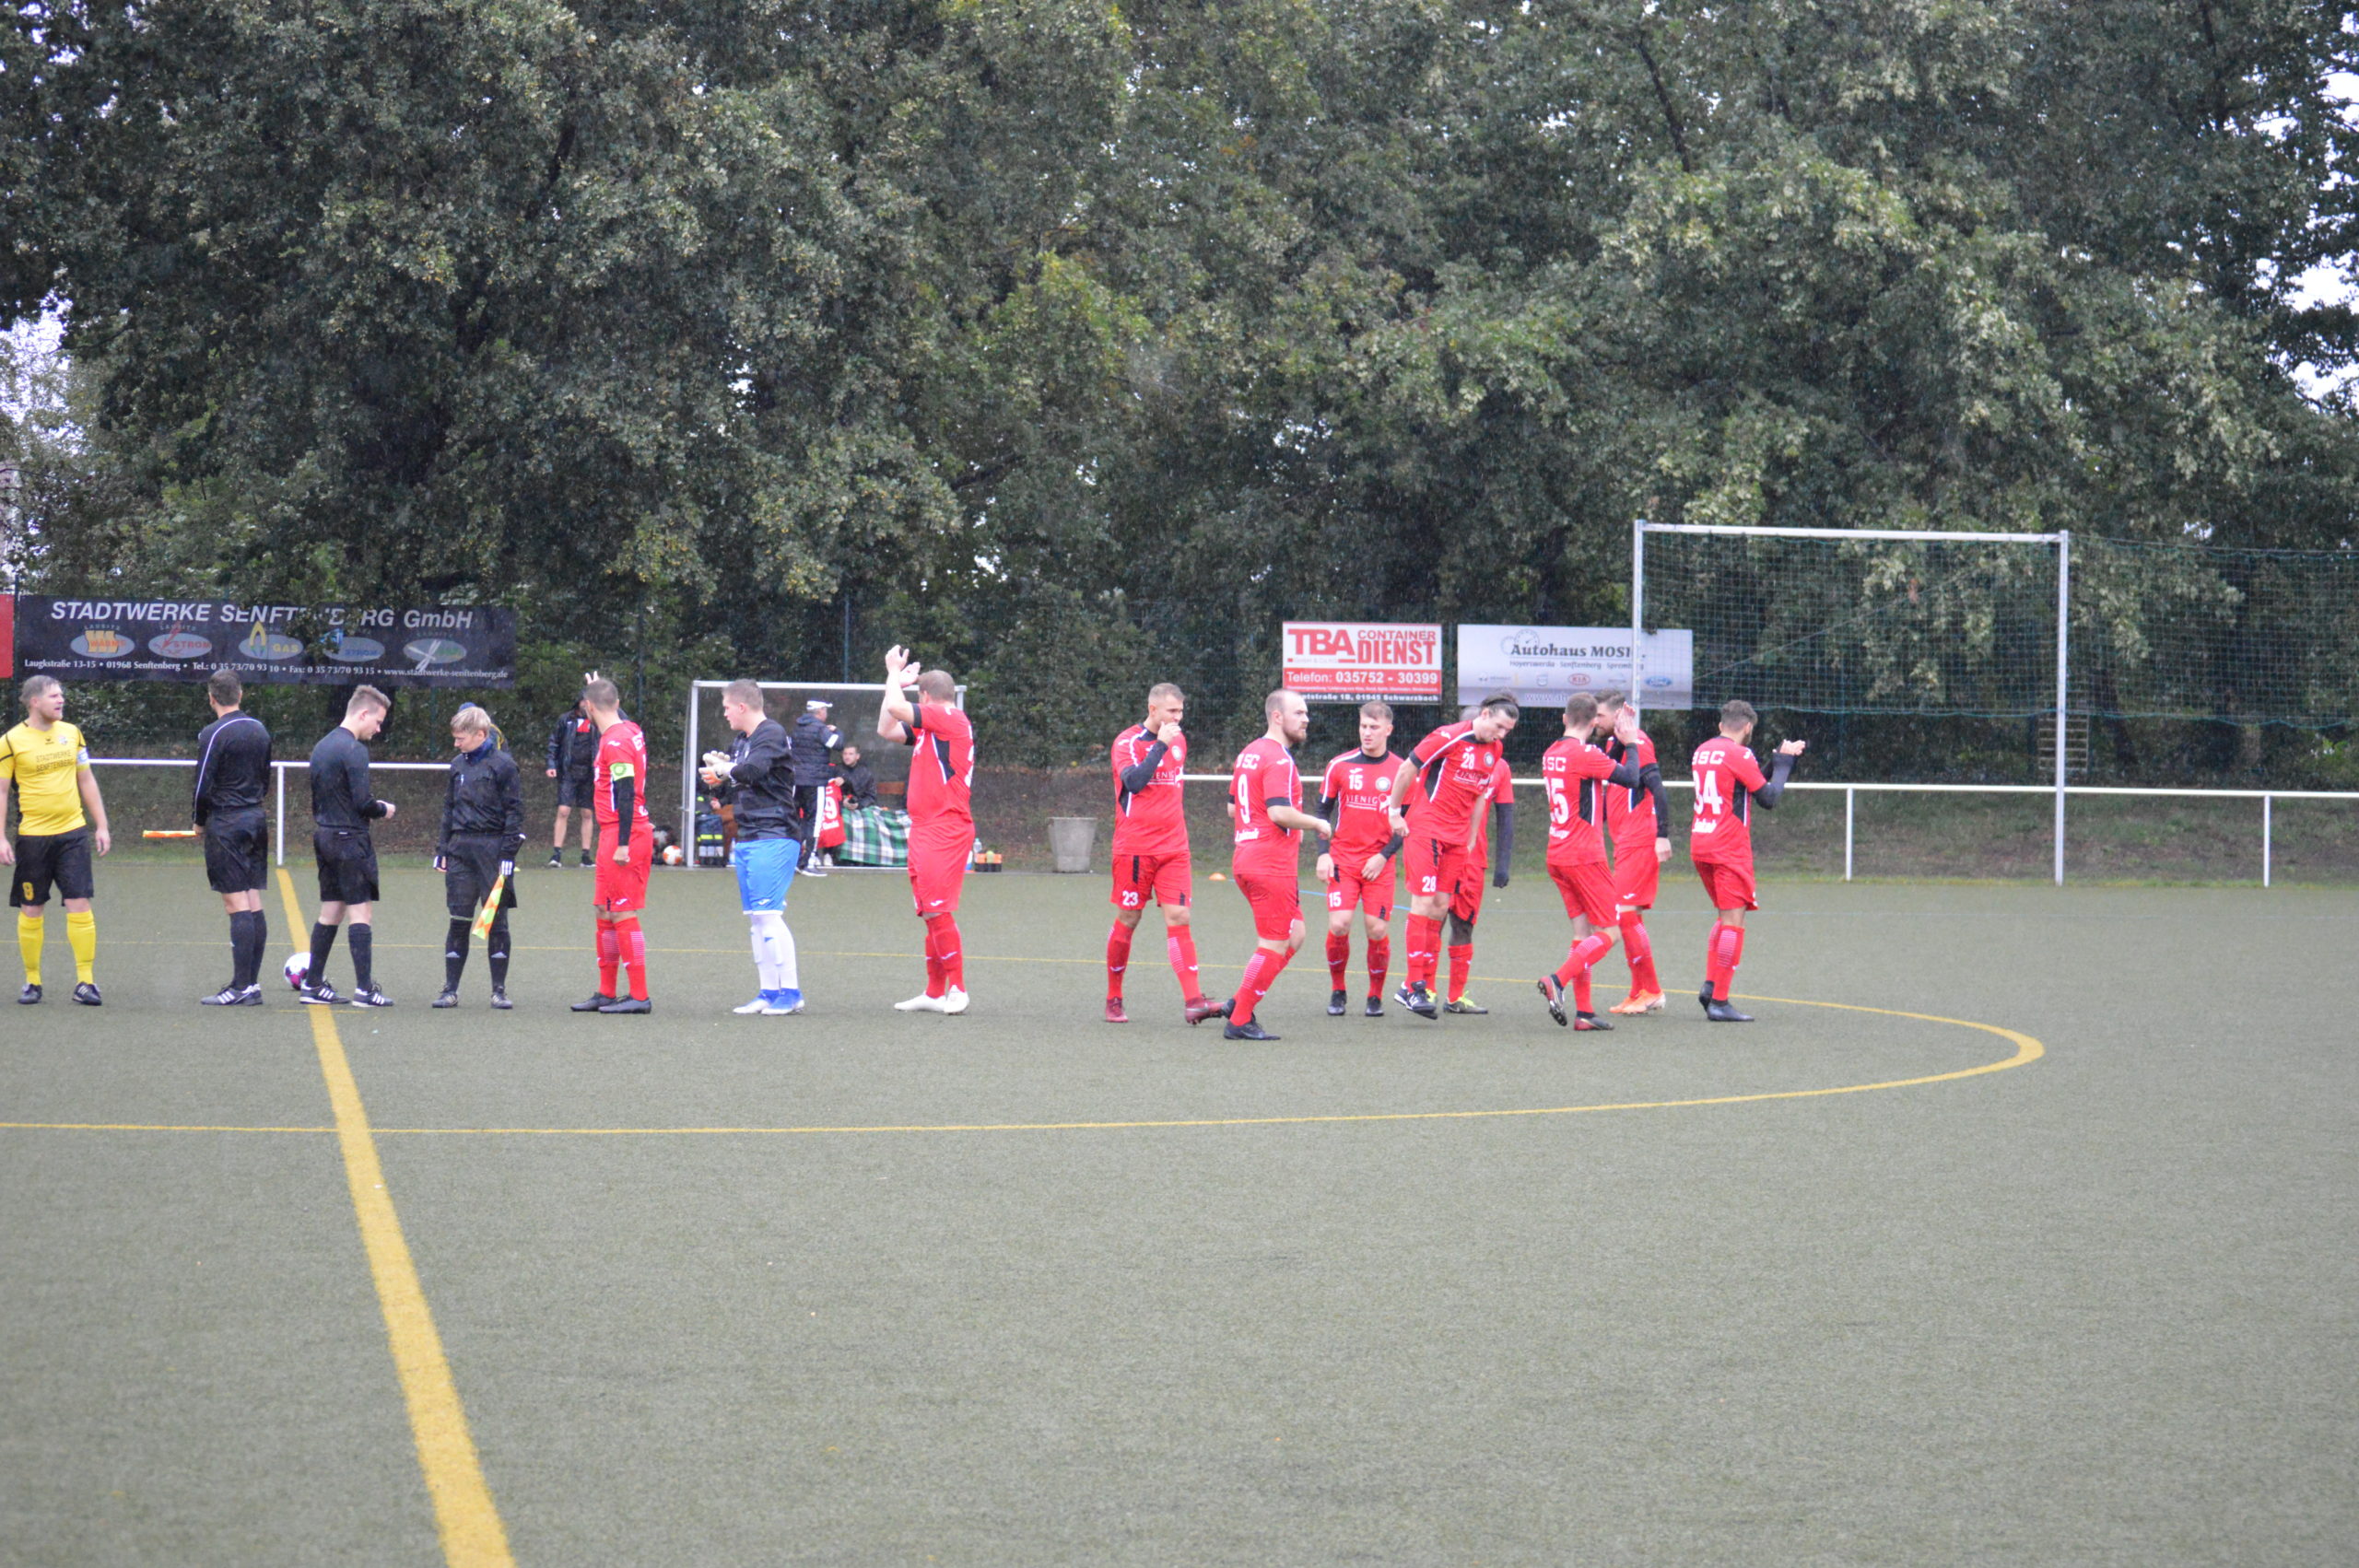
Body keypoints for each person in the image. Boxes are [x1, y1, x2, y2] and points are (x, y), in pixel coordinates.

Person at [1381, 691, 1520, 1019]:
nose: (1501, 735)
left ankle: (1422, 988)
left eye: (1507, 731)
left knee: (1441, 905)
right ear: (1484, 714)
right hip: (1427, 828)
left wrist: (1469, 839)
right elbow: (1407, 769)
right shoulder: (1447, 736)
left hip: (1457, 839)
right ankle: (1414, 985)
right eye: (1499, 726)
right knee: (1423, 902)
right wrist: (1394, 812)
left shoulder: (1495, 750)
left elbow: (1479, 797)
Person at [1534, 694, 1658, 1030]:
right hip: (1584, 856)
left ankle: (1585, 1013)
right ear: (1592, 722)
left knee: (1582, 933)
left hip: (1557, 853)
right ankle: (1557, 980)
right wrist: (1630, 742)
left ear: (1564, 719)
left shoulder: (1552, 752)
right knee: (1611, 932)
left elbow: (1604, 765)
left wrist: (1619, 738)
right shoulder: (1585, 754)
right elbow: (1631, 778)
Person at [1105, 682, 1222, 1024]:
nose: (1177, 718)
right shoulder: (1127, 743)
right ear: (1152, 709)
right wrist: (1160, 745)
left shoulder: (1179, 740)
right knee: (1129, 919)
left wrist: (1166, 742)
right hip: (1135, 849)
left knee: (1180, 917)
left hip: (1174, 848)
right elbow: (1134, 783)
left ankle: (1194, 1001)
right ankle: (1114, 997)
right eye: (1172, 711)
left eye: (1181, 711)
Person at [1221, 687, 1332, 1042]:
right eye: (1299, 713)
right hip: (1269, 863)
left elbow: (1232, 808)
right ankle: (1239, 1020)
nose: (1306, 719)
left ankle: (1239, 1001)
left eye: (1306, 713)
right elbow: (1279, 812)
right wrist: (1317, 823)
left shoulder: (1249, 753)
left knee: (1294, 934)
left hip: (1247, 857)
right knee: (1273, 943)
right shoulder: (1279, 759)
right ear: (1277, 716)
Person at [1690, 699, 1805, 1023]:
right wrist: (1785, 765)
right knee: (1733, 923)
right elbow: (1769, 797)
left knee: (1723, 917)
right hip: (1728, 846)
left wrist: (1775, 759)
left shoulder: (1702, 750)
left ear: (1721, 725)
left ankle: (1711, 987)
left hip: (1701, 841)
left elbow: (1745, 785)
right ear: (1748, 727)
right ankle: (1720, 1001)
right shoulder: (1739, 754)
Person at [0, 675, 111, 1005]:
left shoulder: (72, 733)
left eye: (61, 695)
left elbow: (86, 780)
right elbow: (2, 792)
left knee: (80, 904)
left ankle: (86, 982)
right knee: (32, 908)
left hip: (73, 834)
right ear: (34, 701)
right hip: (33, 839)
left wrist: (101, 825)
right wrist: (1, 837)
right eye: (53, 696)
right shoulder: (11, 741)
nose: (61, 700)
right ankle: (32, 981)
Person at [877, 648, 974, 1014]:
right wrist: (895, 685)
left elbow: (898, 708)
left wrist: (893, 673)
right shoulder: (930, 727)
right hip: (924, 828)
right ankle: (934, 993)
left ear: (926, 697)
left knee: (938, 910)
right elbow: (886, 728)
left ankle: (958, 989)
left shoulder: (948, 717)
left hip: (945, 827)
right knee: (929, 912)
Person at [699, 680, 804, 1015]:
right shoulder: (742, 741)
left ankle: (791, 993)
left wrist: (726, 769)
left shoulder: (770, 733)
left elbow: (753, 771)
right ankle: (768, 992)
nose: (725, 713)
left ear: (742, 707)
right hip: (749, 836)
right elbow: (735, 787)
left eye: (727, 707)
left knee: (769, 916)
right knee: (757, 921)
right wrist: (717, 781)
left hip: (775, 834)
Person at [302, 685, 396, 1008]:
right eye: (378, 721)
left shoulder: (322, 746)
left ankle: (312, 984)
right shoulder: (354, 750)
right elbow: (362, 802)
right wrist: (384, 809)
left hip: (325, 836)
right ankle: (365, 991)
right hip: (350, 840)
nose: (378, 729)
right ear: (363, 713)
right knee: (361, 912)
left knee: (331, 910)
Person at [1314, 701, 1408, 1018]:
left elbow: (1407, 822)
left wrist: (1383, 856)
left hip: (1379, 863)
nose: (1367, 733)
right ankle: (1338, 990)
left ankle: (1374, 995)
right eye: (1363, 726)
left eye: (1374, 727)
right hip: (1343, 859)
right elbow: (1322, 811)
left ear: (1388, 730)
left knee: (1376, 930)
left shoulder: (1401, 771)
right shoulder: (1339, 765)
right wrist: (1323, 853)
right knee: (1339, 924)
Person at [570, 674, 655, 1014]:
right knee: (604, 910)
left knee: (622, 910)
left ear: (588, 708)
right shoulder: (629, 729)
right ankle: (606, 991)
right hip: (613, 832)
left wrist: (622, 843)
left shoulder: (616, 742)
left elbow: (625, 791)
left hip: (625, 833)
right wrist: (599, 688)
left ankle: (639, 996)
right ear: (617, 704)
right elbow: (611, 708)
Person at [433, 706, 524, 1010]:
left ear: (481, 735)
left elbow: (515, 811)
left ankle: (499, 991)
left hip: (493, 851)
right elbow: (448, 808)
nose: (456, 744)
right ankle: (450, 990)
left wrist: (508, 853)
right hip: (460, 850)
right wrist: (442, 849)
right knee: (459, 920)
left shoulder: (504, 766)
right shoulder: (457, 765)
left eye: (461, 738)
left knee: (496, 921)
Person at [193, 669, 274, 1005]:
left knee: (236, 903)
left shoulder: (212, 733)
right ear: (240, 694)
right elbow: (265, 778)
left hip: (227, 823)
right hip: (255, 819)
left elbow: (202, 784)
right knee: (252, 900)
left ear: (211, 698)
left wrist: (199, 821)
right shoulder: (260, 729)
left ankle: (242, 988)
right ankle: (250, 985)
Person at [1598, 690, 1673, 1015]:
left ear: (1617, 715)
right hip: (1625, 840)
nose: (1595, 720)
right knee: (1628, 916)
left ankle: (1652, 990)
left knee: (1625, 914)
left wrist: (1663, 835)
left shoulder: (1639, 742)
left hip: (1640, 839)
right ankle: (1638, 990)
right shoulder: (1614, 745)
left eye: (1600, 715)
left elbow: (1657, 787)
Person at [1443, 747, 1515, 1014]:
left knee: (1463, 925)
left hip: (1473, 859)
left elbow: (1505, 815)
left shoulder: (1500, 767)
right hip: (1441, 852)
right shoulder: (1447, 756)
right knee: (1431, 921)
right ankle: (1422, 990)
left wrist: (1503, 863)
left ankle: (1455, 998)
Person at [545, 696, 598, 868]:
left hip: (589, 773)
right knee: (563, 810)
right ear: (579, 702)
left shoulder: (598, 720)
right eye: (584, 701)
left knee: (587, 813)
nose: (587, 704)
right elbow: (554, 743)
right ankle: (556, 854)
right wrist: (551, 764)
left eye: (590, 701)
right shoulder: (566, 719)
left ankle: (586, 856)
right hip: (568, 771)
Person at [791, 698, 842, 872]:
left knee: (796, 821)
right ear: (820, 712)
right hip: (815, 781)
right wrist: (837, 731)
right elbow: (837, 744)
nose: (826, 714)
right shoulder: (820, 729)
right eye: (825, 710)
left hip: (796, 781)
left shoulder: (797, 728)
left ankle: (794, 859)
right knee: (814, 821)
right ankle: (808, 862)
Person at [833, 744, 878, 810]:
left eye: (850, 754)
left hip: (860, 808)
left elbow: (871, 796)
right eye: (845, 754)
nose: (847, 757)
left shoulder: (865, 773)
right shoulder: (835, 770)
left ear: (857, 756)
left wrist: (858, 805)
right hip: (838, 808)